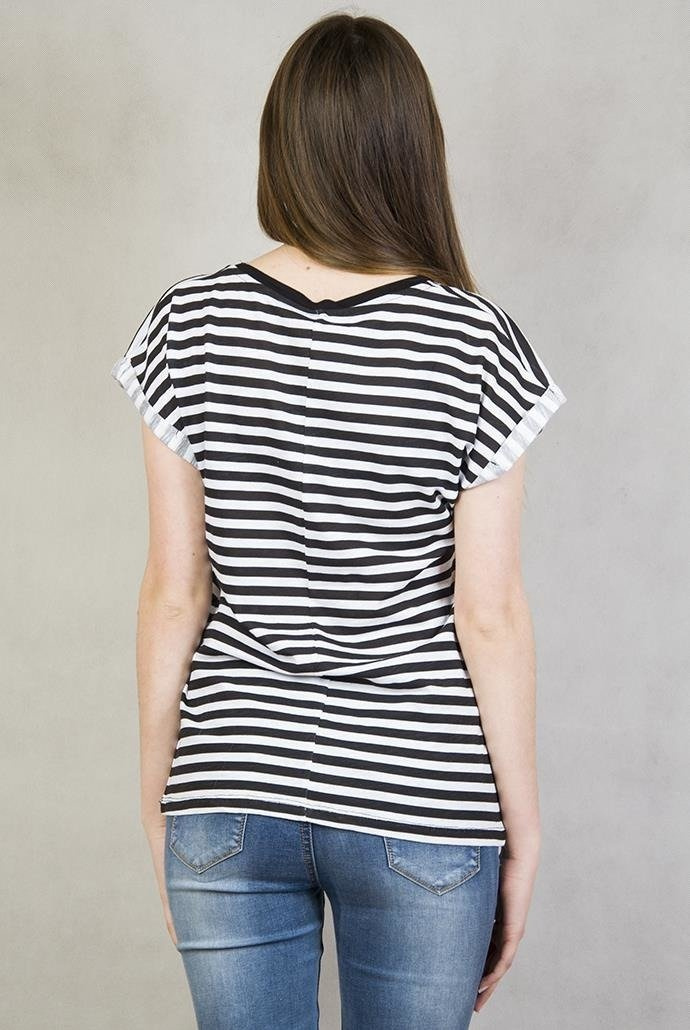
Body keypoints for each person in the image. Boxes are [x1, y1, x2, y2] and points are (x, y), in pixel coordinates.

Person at [110, 12, 567, 1030]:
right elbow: (488, 613)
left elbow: (174, 591)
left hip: (230, 782)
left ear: (282, 143)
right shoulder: (475, 338)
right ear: (413, 149)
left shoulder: (189, 322)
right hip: (421, 799)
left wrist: (159, 795)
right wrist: (524, 828)